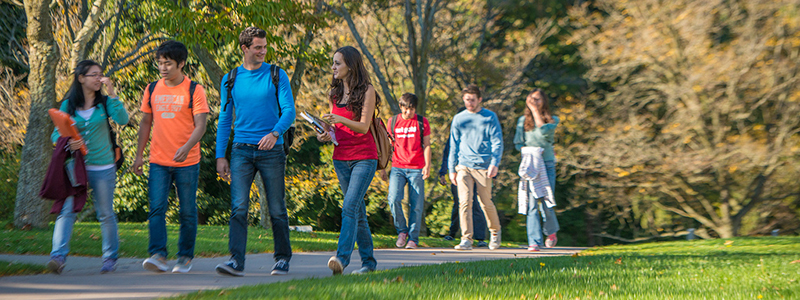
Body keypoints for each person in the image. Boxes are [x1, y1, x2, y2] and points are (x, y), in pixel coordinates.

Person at [214, 27, 295, 277]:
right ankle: (236, 260)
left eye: (264, 47)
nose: (262, 51)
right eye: (257, 47)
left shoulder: (276, 74)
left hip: (272, 150)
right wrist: (220, 155)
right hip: (241, 150)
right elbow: (225, 119)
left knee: (276, 208)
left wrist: (275, 134)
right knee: (238, 207)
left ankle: (282, 258)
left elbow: (289, 111)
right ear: (244, 48)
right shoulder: (230, 79)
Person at [46, 59, 129, 274]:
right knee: (67, 210)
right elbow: (56, 133)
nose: (99, 78)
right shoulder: (68, 105)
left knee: (105, 213)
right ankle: (58, 256)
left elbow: (122, 119)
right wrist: (65, 141)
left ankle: (110, 258)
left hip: (103, 167)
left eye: (101, 74)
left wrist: (112, 93)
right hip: (77, 167)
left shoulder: (105, 102)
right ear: (81, 78)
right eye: (94, 74)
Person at [134, 41, 210, 273]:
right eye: (160, 63)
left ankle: (185, 257)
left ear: (182, 63)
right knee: (156, 208)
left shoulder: (194, 90)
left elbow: (201, 125)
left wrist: (186, 147)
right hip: (158, 160)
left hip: (187, 162)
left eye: (168, 63)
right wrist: (139, 156)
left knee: (187, 211)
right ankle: (158, 255)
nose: (163, 68)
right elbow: (145, 123)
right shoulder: (152, 89)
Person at [316, 46, 379, 275]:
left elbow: (363, 127)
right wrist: (323, 133)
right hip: (340, 157)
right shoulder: (334, 92)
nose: (333, 67)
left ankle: (341, 259)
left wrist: (339, 120)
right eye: (333, 63)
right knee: (358, 212)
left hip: (364, 157)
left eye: (337, 63)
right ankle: (369, 263)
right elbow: (332, 127)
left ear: (350, 66)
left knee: (350, 207)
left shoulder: (367, 91)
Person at [447, 84, 504, 251]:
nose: (469, 103)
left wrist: (495, 163)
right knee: (464, 202)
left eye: (472, 100)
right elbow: (453, 145)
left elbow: (497, 142)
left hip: (484, 166)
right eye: (466, 100)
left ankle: (495, 232)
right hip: (463, 165)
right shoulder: (459, 118)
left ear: (479, 99)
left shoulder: (489, 117)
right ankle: (466, 238)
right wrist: (452, 169)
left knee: (485, 202)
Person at [514, 89, 560, 251]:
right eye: (532, 99)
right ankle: (534, 241)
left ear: (544, 101)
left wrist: (534, 111)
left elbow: (543, 132)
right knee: (531, 203)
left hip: (546, 164)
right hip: (531, 164)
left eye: (538, 99)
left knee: (546, 202)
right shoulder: (522, 121)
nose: (535, 102)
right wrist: (527, 153)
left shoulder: (553, 120)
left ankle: (551, 231)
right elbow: (518, 142)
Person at [383, 93, 431, 249]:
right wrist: (383, 167)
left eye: (411, 109)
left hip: (416, 168)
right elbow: (388, 146)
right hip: (397, 167)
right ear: (400, 107)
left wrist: (427, 165)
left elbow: (427, 145)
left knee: (416, 205)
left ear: (415, 108)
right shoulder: (393, 122)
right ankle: (402, 231)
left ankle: (413, 239)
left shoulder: (422, 122)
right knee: (393, 199)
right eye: (405, 109)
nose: (407, 112)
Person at [438, 122, 488, 247]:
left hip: (476, 172)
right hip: (458, 172)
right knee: (460, 203)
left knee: (475, 203)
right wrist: (444, 172)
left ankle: (480, 237)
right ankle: (453, 232)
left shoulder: (477, 135)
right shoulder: (454, 136)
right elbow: (447, 155)